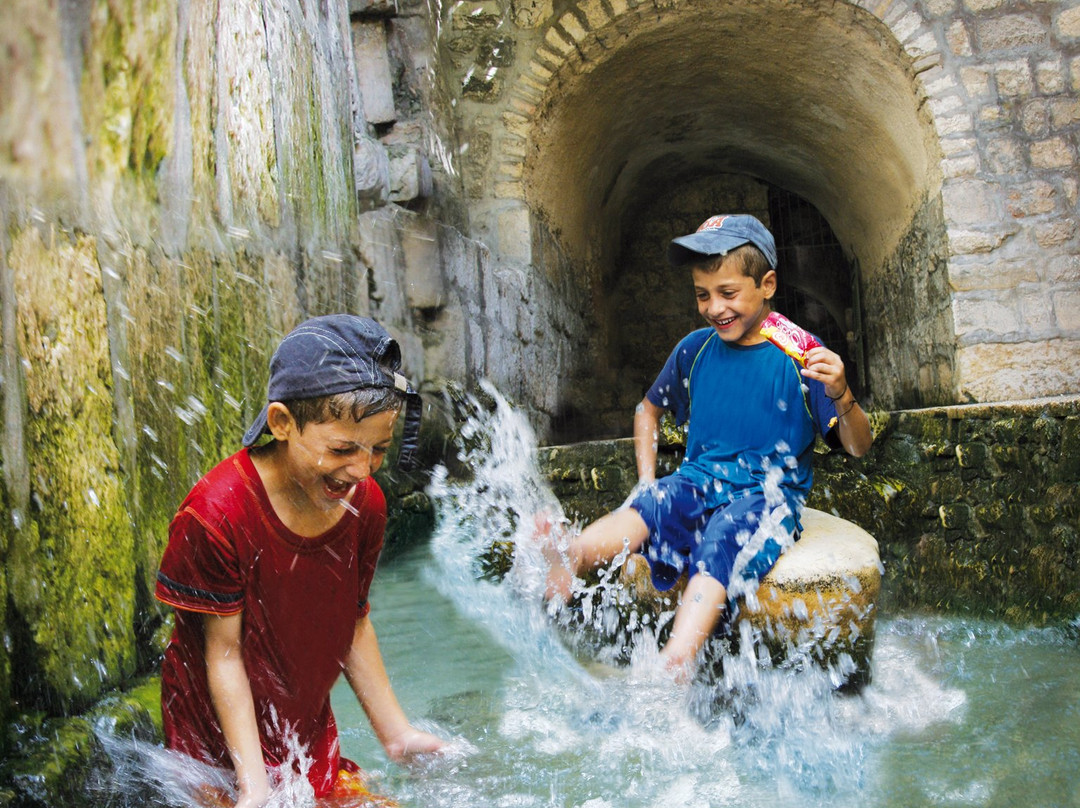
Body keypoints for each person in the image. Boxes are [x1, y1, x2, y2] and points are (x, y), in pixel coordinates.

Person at [543, 214, 874, 680]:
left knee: (724, 540)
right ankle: (571, 554)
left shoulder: (800, 354)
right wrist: (646, 478)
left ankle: (676, 662)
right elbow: (647, 410)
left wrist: (841, 392)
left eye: (728, 293)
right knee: (654, 502)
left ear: (768, 284)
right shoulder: (695, 349)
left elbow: (859, 446)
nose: (714, 307)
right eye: (702, 295)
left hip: (765, 495)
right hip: (699, 479)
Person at [155, 314, 446, 808]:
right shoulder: (216, 514)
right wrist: (253, 788)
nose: (359, 470)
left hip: (302, 737)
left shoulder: (365, 505)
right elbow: (223, 656)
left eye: (378, 449)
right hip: (214, 752)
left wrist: (396, 733)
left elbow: (352, 623)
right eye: (341, 449)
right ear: (282, 423)